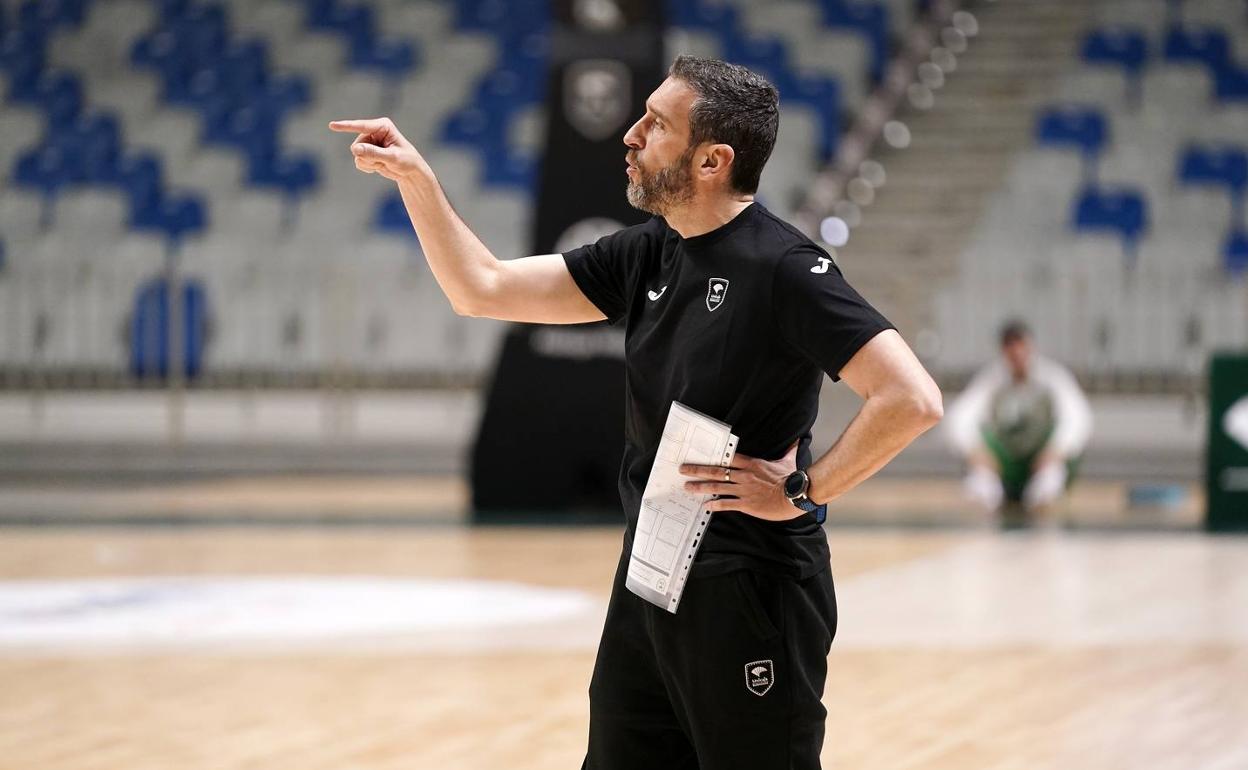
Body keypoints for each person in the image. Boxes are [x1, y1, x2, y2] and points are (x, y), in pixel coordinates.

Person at [330, 56, 942, 770]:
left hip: (750, 589)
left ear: (712, 160)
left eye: (656, 124)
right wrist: (418, 182)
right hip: (650, 577)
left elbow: (911, 398)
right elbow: (482, 286)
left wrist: (802, 491)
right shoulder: (651, 252)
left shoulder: (782, 268)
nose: (631, 133)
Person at [945, 319, 1092, 523]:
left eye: (1020, 345)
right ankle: (988, 498)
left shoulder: (1053, 378)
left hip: (1042, 459)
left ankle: (1046, 501)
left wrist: (1057, 450)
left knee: (1048, 485)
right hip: (1006, 464)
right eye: (1010, 347)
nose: (1017, 354)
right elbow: (960, 417)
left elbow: (1076, 417)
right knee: (979, 484)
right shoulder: (992, 379)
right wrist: (975, 452)